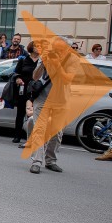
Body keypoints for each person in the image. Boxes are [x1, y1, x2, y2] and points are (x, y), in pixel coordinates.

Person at [27, 38, 75, 174]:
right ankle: (36, 161)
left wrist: (56, 64)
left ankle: (51, 161)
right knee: (39, 130)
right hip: (43, 99)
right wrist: (43, 63)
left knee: (57, 133)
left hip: (61, 100)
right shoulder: (47, 57)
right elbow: (35, 77)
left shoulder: (72, 60)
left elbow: (67, 79)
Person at [12, 41, 39, 144]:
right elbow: (16, 73)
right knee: (20, 113)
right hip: (23, 89)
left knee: (34, 114)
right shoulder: (23, 60)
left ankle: (32, 137)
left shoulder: (42, 61)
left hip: (37, 91)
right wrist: (18, 78)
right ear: (31, 48)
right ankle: (17, 136)